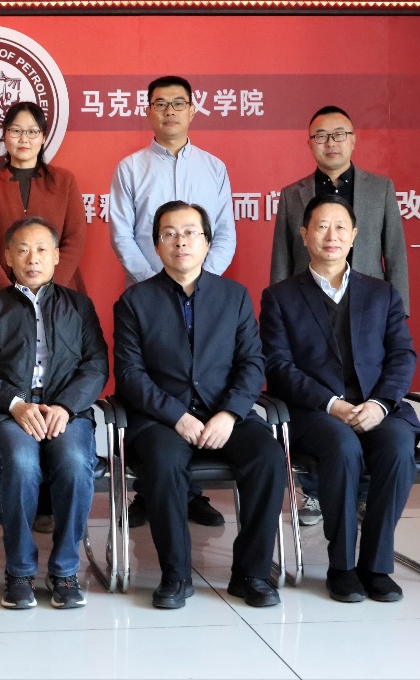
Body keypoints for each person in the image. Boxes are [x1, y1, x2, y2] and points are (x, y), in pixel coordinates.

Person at [113, 201, 286, 610]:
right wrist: (176, 416)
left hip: (224, 414)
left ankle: (251, 574)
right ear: (157, 245)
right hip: (161, 419)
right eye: (170, 234)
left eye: (191, 232)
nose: (181, 241)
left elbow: (252, 363)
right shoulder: (135, 301)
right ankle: (176, 576)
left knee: (268, 457)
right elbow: (130, 374)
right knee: (163, 463)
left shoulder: (234, 297)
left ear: (207, 243)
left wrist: (229, 413)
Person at [260, 194, 419, 604]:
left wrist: (380, 404)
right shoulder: (280, 296)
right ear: (304, 235)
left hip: (376, 407)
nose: (331, 235)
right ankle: (343, 566)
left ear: (354, 236)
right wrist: (332, 404)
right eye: (321, 226)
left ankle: (376, 565)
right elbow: (277, 365)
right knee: (343, 446)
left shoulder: (382, 294)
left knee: (398, 445)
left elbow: (402, 355)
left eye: (340, 227)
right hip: (314, 412)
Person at [270, 105, 412, 526]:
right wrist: (279, 309)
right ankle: (316, 494)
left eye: (338, 134)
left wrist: (397, 315)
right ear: (309, 143)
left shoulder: (379, 189)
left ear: (353, 140)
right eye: (321, 136)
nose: (330, 143)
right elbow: (282, 261)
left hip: (369, 317)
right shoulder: (292, 194)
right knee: (321, 413)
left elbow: (395, 254)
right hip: (308, 317)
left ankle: (364, 497)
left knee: (374, 416)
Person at [0, 217, 108, 610]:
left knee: (74, 462)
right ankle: (20, 570)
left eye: (42, 249)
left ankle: (65, 570)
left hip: (65, 411)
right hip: (5, 415)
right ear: (8, 257)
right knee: (22, 464)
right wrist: (15, 403)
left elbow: (95, 366)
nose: (33, 258)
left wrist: (66, 406)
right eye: (22, 250)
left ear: (57, 256)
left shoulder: (79, 306)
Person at [109, 76, 236, 530]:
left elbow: (224, 232)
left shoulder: (214, 167)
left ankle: (192, 492)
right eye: (160, 104)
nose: (169, 111)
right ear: (148, 111)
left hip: (205, 297)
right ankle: (151, 490)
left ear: (192, 110)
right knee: (156, 384)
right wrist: (161, 284)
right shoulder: (130, 168)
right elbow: (122, 234)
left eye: (178, 103)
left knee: (198, 383)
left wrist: (200, 282)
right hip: (148, 298)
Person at [0, 101, 87, 297]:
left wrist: (50, 290)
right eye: (16, 131)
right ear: (5, 135)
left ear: (43, 137)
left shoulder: (65, 181)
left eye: (32, 132)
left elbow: (74, 239)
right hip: (1, 297)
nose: (24, 139)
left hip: (58, 294)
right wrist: (8, 293)